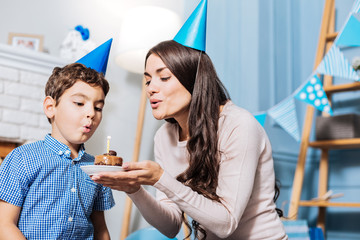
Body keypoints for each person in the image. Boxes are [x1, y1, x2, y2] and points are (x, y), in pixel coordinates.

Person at [91, 39, 288, 240]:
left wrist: (160, 178)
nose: (150, 88)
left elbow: (226, 224)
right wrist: (134, 189)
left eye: (164, 77)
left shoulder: (239, 125)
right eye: (148, 80)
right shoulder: (164, 136)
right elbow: (170, 226)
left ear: (193, 79)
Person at [0, 61, 115, 239]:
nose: (91, 113)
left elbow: (100, 230)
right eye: (79, 103)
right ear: (50, 107)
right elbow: (4, 224)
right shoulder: (22, 158)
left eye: (98, 107)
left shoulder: (98, 168)